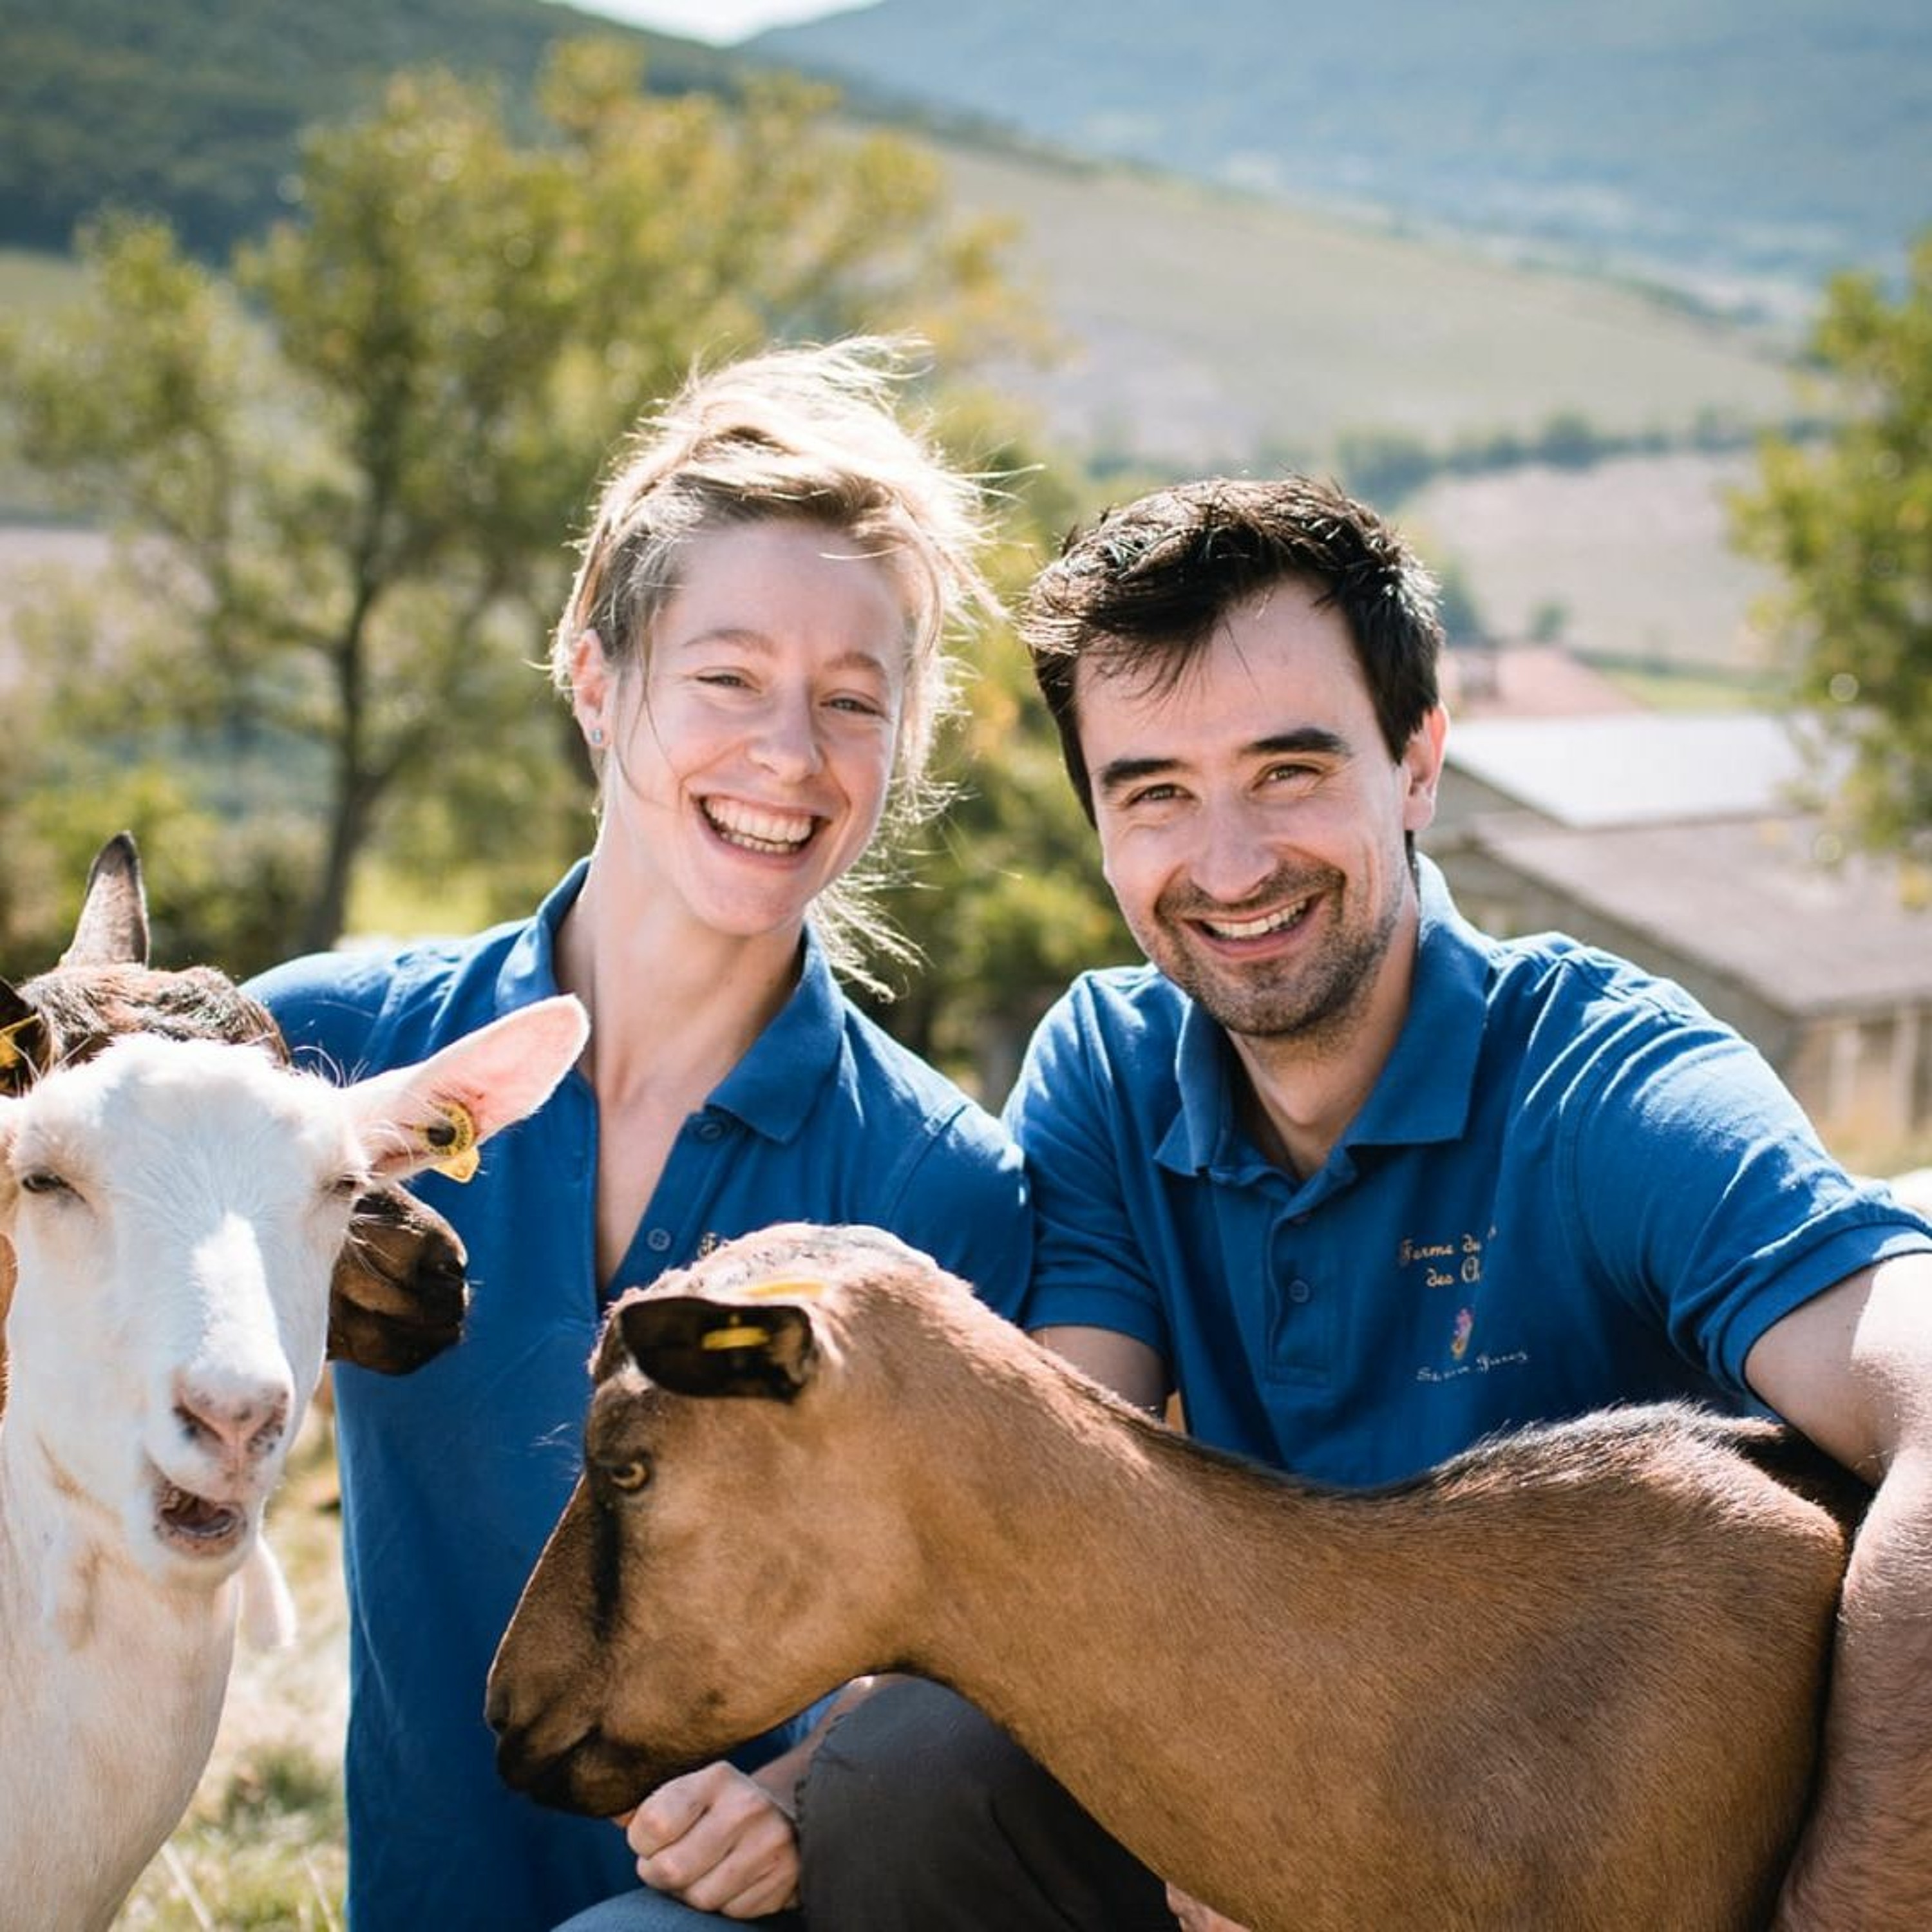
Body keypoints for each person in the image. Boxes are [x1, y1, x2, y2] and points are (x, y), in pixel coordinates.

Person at [793, 475, 1932, 1929]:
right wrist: (1213, 1811)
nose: (1230, 864)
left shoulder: (1607, 1083)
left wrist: (1858, 1909)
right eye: (1155, 794)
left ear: (1416, 764)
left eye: (1289, 771)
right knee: (908, 1770)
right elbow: (1044, 1518)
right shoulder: (1108, 1071)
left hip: (1607, 1848)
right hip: (1305, 1787)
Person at [248, 338, 1032, 1932]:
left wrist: (792, 1800)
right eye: (727, 678)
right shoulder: (336, 1051)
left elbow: (951, 1657)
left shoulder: (942, 1187)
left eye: (852, 702)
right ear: (600, 680)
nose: (791, 756)